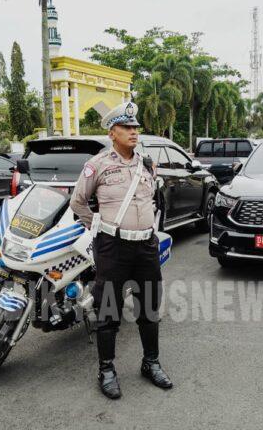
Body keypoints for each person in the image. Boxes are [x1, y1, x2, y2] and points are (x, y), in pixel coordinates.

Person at [70, 102, 173, 399]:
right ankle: (106, 370)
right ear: (112, 133)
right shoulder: (98, 164)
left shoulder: (146, 164)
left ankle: (151, 362)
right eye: (126, 127)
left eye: (135, 127)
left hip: (145, 245)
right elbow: (78, 202)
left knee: (149, 307)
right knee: (109, 309)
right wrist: (100, 227)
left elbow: (152, 200)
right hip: (113, 246)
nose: (133, 132)